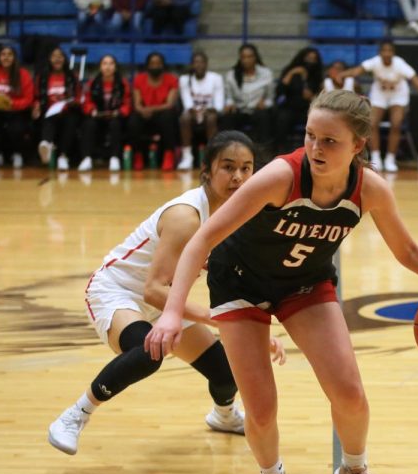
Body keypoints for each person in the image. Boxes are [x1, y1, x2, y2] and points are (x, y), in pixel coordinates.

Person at [144, 89, 418, 474]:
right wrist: (173, 312)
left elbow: (408, 251)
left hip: (304, 283)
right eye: (311, 136)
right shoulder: (279, 177)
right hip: (238, 281)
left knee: (350, 393)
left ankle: (354, 471)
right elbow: (202, 239)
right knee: (261, 408)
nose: (316, 148)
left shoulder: (368, 189)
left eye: (330, 140)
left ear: (358, 147)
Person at [49, 131, 287, 456]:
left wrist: (253, 331)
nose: (238, 177)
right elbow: (153, 290)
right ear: (207, 171)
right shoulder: (186, 217)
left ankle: (224, 415)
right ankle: (76, 414)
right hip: (119, 292)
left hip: (166, 299)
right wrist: (221, 321)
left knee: (229, 369)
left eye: (246, 168)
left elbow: (237, 283)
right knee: (150, 350)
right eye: (228, 167)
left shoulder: (240, 217)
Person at [339, 40, 418, 173]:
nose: (387, 53)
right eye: (384, 50)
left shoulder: (400, 64)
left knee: (396, 123)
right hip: (379, 94)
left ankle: (390, 159)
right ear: (380, 52)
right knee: (371, 123)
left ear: (393, 53)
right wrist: (342, 74)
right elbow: (356, 71)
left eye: (390, 51)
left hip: (398, 95)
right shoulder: (375, 62)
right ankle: (376, 158)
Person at [0, 45, 33, 170]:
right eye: (3, 54)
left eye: (10, 55)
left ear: (14, 58)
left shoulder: (23, 74)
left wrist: (12, 104)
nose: (6, 57)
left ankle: (17, 154)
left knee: (17, 129)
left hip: (16, 111)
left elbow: (28, 99)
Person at [79, 54, 132, 172]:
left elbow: (127, 103)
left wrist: (119, 112)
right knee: (88, 124)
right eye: (105, 63)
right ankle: (86, 158)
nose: (108, 67)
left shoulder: (123, 83)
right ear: (100, 67)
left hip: (116, 116)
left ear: (115, 67)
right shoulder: (92, 83)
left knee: (115, 124)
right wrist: (92, 110)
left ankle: (115, 158)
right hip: (97, 115)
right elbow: (86, 101)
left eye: (111, 63)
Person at [33, 47, 83, 171]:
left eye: (60, 56)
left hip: (68, 110)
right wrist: (36, 106)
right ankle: (46, 144)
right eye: (54, 56)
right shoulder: (42, 76)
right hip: (48, 110)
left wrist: (72, 102)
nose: (57, 59)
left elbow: (79, 96)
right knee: (48, 118)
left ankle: (63, 156)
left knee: (71, 120)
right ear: (49, 60)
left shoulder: (72, 76)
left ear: (64, 59)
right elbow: (36, 96)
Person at [128, 52, 180, 170]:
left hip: (163, 113)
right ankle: (138, 155)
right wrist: (143, 110)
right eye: (152, 63)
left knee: (168, 116)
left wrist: (150, 109)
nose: (155, 66)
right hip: (145, 114)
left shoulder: (171, 79)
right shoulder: (139, 79)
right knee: (133, 120)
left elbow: (169, 104)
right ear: (147, 65)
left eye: (158, 63)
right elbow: (137, 104)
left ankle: (169, 155)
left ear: (163, 65)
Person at [222, 43, 274, 152]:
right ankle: (228, 149)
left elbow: (270, 99)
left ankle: (263, 150)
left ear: (255, 57)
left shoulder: (266, 74)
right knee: (228, 116)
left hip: (257, 110)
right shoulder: (231, 75)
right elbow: (229, 97)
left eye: (249, 57)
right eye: (243, 57)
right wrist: (229, 103)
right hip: (239, 109)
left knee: (264, 116)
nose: (246, 60)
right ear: (240, 58)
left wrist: (265, 103)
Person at [178, 51, 225, 170]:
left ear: (206, 64)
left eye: (201, 62)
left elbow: (219, 104)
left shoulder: (216, 78)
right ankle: (187, 157)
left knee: (211, 118)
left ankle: (210, 157)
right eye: (195, 62)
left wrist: (207, 110)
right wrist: (194, 111)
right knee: (185, 117)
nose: (198, 65)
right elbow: (187, 103)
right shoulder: (184, 79)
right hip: (193, 114)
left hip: (210, 113)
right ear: (191, 65)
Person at [274, 47, 323, 155]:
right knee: (282, 118)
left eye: (313, 59)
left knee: (314, 119)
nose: (310, 61)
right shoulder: (291, 70)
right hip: (290, 106)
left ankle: (309, 151)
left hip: (307, 107)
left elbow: (311, 95)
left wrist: (305, 79)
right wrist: (292, 73)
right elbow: (280, 90)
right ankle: (280, 149)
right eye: (308, 58)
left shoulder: (317, 75)